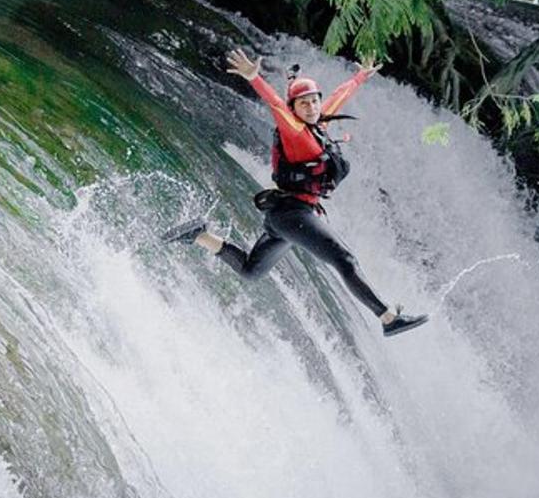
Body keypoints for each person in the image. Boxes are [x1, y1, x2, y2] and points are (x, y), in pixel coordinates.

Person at [163, 48, 428, 337]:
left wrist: (361, 76)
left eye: (315, 101)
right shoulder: (295, 131)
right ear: (295, 108)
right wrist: (254, 78)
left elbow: (339, 97)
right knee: (345, 261)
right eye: (304, 104)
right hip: (292, 214)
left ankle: (199, 235)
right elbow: (276, 104)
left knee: (252, 271)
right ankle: (388, 318)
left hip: (285, 216)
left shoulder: (319, 125)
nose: (313, 107)